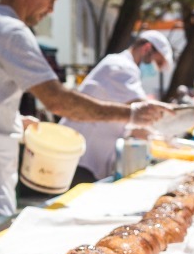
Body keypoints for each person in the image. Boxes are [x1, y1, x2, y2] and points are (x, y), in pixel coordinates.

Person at [0, 0, 171, 231]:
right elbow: (57, 100)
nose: (51, 8)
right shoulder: (10, 30)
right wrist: (131, 114)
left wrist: (13, 121)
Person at [60, 31, 174, 182]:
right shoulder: (121, 67)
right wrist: (168, 142)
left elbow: (134, 124)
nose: (155, 69)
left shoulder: (124, 67)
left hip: (85, 159)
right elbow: (144, 113)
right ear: (146, 49)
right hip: (79, 158)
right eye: (157, 62)